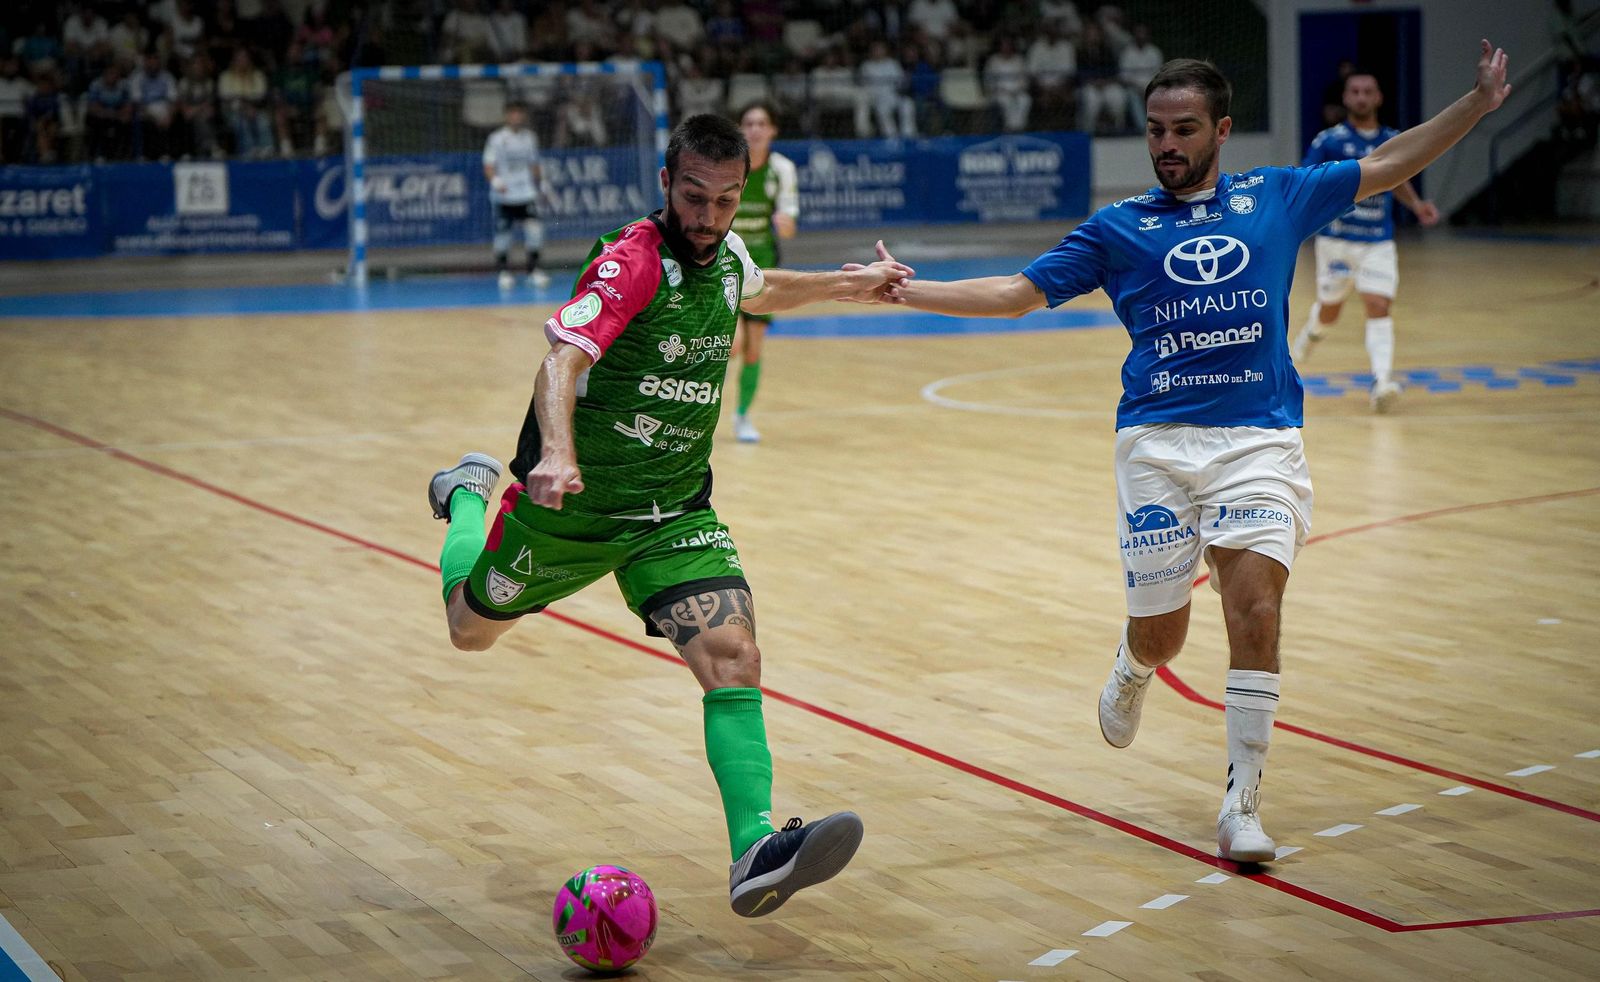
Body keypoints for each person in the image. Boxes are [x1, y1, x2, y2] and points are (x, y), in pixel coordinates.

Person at [867, 43, 1510, 862]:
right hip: (1157, 445)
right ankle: (1134, 664)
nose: (1167, 144)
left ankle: (1243, 798)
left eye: (1184, 129)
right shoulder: (1118, 228)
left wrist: (1478, 104)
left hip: (1259, 440)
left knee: (1257, 609)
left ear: (1221, 131)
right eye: (1155, 131)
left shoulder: (1276, 195)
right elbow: (1014, 295)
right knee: (1163, 632)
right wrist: (906, 287)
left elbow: (1386, 163)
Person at [425, 114, 909, 915]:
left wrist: (843, 283)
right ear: (665, 185)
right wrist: (556, 451)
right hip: (575, 510)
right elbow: (563, 356)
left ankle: (755, 847)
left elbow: (757, 286)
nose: (708, 216)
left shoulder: (729, 254)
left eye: (724, 200)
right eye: (693, 197)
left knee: (734, 656)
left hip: (675, 512)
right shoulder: (632, 262)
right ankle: (469, 495)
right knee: (467, 629)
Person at [1290, 70, 1441, 412]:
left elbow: (1396, 176)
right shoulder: (1328, 141)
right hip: (1337, 242)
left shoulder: (1391, 139)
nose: (1361, 97)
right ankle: (1307, 339)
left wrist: (1416, 205)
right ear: (1345, 98)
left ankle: (1381, 382)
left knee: (1378, 304)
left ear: (1378, 98)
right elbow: (1306, 180)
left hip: (1377, 241)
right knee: (1330, 312)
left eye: (1367, 91)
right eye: (1354, 91)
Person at [728, 101, 799, 443]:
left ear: (772, 130)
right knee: (732, 345)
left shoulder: (781, 169)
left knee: (754, 350)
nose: (755, 130)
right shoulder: (727, 166)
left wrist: (785, 224)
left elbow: (788, 229)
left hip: (763, 268)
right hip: (725, 265)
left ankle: (742, 416)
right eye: (748, 123)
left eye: (762, 123)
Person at [482, 101, 551, 290]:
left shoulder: (529, 138)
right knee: (503, 235)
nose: (516, 117)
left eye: (520, 113)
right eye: (513, 113)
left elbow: (534, 163)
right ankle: (504, 272)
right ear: (506, 116)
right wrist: (496, 182)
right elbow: (488, 166)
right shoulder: (496, 139)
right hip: (504, 196)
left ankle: (533, 271)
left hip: (526, 193)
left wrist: (542, 183)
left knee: (535, 231)